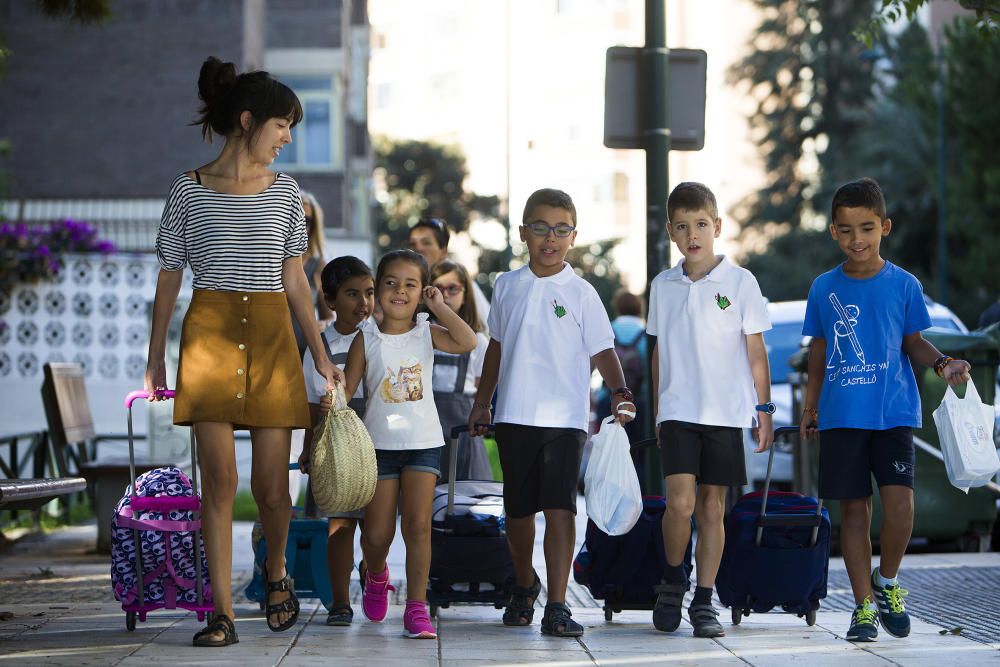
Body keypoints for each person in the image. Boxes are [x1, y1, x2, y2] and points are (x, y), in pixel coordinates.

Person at [145, 56, 341, 648]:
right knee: (220, 482)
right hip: (208, 332)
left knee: (274, 488)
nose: (287, 138)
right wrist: (156, 355)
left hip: (274, 336)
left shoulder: (287, 194)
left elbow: (297, 281)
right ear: (249, 119)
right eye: (283, 125)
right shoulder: (188, 188)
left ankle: (275, 571)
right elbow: (169, 276)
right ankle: (221, 612)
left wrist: (322, 353)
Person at [799, 177, 972, 643]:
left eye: (867, 228)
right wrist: (811, 404)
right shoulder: (822, 288)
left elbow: (913, 342)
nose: (858, 239)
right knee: (854, 514)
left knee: (901, 508)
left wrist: (943, 363)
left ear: (885, 227)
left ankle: (887, 581)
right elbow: (818, 349)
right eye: (847, 230)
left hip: (893, 413)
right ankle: (863, 607)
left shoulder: (904, 285)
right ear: (833, 232)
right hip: (840, 416)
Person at [468, 188, 635, 638]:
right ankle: (525, 584)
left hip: (564, 420)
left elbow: (604, 349)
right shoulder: (506, 285)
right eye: (540, 228)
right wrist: (483, 401)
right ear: (524, 232)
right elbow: (496, 348)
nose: (550, 238)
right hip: (514, 416)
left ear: (573, 237)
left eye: (561, 230)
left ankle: (557, 605)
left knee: (561, 509)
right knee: (519, 512)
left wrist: (620, 392)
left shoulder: (582, 293)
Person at [646, 182, 774, 638]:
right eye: (682, 227)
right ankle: (672, 582)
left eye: (701, 224)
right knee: (678, 504)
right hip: (678, 412)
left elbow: (756, 352)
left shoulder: (741, 283)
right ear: (671, 233)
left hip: (725, 413)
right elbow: (658, 353)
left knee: (711, 509)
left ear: (717, 226)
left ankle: (704, 600)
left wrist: (765, 409)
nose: (692, 234)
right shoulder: (663, 286)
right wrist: (659, 408)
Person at [342, 249, 477, 639]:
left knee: (418, 527)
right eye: (391, 283)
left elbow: (467, 341)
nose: (400, 291)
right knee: (377, 534)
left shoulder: (426, 331)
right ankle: (378, 573)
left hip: (423, 443)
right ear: (377, 289)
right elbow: (349, 391)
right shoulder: (365, 338)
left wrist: (439, 307)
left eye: (411, 285)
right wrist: (332, 393)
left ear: (423, 292)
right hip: (378, 447)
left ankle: (417, 606)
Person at [297, 256, 375, 626]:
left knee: (376, 528)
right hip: (336, 442)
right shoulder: (320, 346)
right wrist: (308, 447)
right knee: (340, 524)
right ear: (329, 300)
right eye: (351, 294)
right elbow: (313, 404)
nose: (363, 303)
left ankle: (373, 570)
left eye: (370, 292)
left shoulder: (380, 336)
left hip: (378, 441)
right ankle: (340, 602)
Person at [429, 259, 493, 481]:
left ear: (465, 293)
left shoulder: (479, 342)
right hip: (426, 432)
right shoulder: (421, 335)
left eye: (453, 288)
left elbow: (479, 387)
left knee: (461, 498)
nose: (445, 295)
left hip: (462, 432)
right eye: (437, 288)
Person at [407, 217, 491, 327]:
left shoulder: (461, 281)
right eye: (412, 244)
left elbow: (488, 330)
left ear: (443, 251)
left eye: (426, 243)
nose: (418, 248)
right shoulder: (404, 283)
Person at [594, 288, 649, 442]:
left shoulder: (608, 328)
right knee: (639, 453)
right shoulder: (646, 332)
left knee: (610, 452)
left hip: (610, 400)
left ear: (617, 307)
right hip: (641, 402)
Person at [290, 190, 333, 357]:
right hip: (267, 350)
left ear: (313, 227)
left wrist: (322, 325)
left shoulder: (318, 266)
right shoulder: (265, 259)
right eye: (293, 217)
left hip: (303, 354)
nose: (299, 224)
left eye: (306, 220)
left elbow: (328, 317)